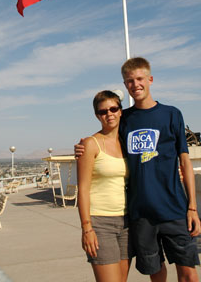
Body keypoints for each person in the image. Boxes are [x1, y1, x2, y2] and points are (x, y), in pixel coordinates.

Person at [75, 57, 201, 282]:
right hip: (140, 215)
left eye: (140, 79)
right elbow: (106, 135)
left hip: (174, 209)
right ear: (125, 85)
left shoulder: (172, 114)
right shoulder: (125, 119)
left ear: (150, 79)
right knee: (156, 274)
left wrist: (192, 207)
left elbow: (185, 162)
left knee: (189, 275)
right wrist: (83, 147)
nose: (136, 84)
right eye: (130, 81)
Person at [77, 90, 133, 282]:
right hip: (100, 224)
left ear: (120, 111)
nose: (109, 114)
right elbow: (82, 189)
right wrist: (87, 228)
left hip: (127, 223)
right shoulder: (90, 144)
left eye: (113, 108)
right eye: (103, 111)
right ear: (97, 115)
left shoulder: (127, 143)